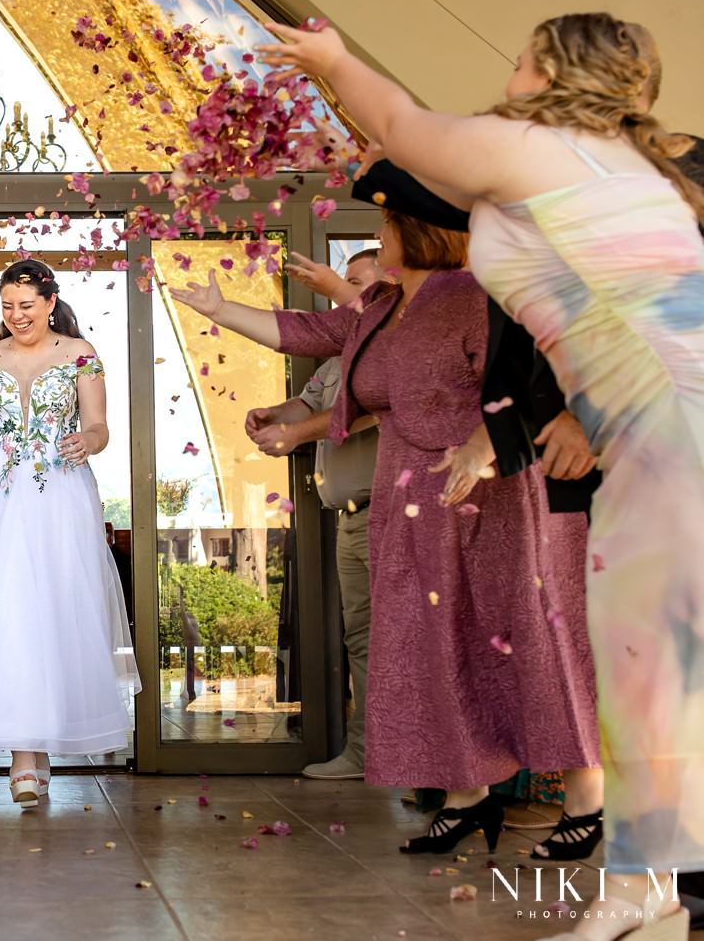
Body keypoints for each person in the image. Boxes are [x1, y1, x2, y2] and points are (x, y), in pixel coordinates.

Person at [260, 11, 704, 939]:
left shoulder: (538, 151)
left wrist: (336, 58)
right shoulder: (628, 166)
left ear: (550, 70)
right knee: (645, 664)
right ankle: (644, 886)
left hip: (671, 431)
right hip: (650, 443)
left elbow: (405, 128)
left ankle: (648, 885)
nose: (508, 67)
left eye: (520, 54)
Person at [171, 209, 601, 862]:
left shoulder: (474, 297)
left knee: (528, 641)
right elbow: (307, 331)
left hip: (486, 498)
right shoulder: (381, 305)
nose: (379, 239)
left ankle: (588, 801)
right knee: (429, 646)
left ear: (422, 232)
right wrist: (221, 308)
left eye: (387, 228)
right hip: (410, 500)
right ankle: (466, 797)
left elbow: (525, 388)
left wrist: (487, 449)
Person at [0, 259, 139, 806]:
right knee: (7, 612)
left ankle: (36, 749)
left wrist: (87, 442)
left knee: (53, 613)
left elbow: (100, 427)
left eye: (26, 305)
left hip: (59, 495)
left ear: (49, 302)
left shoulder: (81, 355)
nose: (16, 315)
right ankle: (24, 756)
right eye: (6, 306)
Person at [253, 249, 384, 780]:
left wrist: (296, 434)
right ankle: (367, 753)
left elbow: (366, 410)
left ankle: (422, 762)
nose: (341, 291)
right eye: (344, 281)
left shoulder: (390, 355)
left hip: (388, 515)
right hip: (348, 520)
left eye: (355, 283)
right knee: (362, 639)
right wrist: (273, 416)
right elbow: (306, 407)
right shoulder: (335, 359)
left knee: (402, 637)